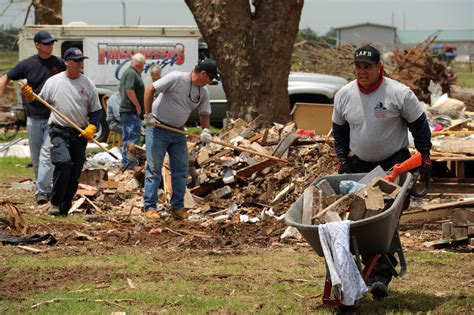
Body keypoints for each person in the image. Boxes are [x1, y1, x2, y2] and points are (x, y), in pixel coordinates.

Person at [332, 45, 432, 299]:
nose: (362, 71)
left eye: (367, 67)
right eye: (358, 67)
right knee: (362, 221)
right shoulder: (344, 95)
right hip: (361, 166)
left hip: (393, 166)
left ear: (380, 67)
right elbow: (340, 133)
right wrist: (343, 160)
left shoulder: (399, 93)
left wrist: (425, 158)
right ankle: (373, 273)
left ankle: (379, 276)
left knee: (384, 221)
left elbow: (420, 127)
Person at [24, 47, 102, 216]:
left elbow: (96, 111)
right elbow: (40, 103)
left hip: (79, 133)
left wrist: (92, 127)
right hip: (58, 130)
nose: (80, 63)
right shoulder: (54, 82)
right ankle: (55, 202)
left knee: (75, 171)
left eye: (81, 60)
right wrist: (30, 97)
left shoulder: (87, 84)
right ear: (66, 62)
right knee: (63, 163)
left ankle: (65, 206)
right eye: (76, 60)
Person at [142, 59, 218, 220]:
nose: (210, 82)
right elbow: (150, 90)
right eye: (210, 79)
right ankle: (150, 207)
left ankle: (177, 207)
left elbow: (205, 113)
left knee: (180, 169)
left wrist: (205, 130)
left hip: (177, 131)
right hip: (158, 127)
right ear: (203, 74)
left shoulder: (202, 92)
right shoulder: (176, 78)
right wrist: (148, 115)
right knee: (154, 168)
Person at [0, 31, 66, 205]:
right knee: (37, 157)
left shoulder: (59, 64)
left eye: (52, 43)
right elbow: (6, 76)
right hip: (34, 118)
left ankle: (44, 191)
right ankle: (42, 187)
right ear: (37, 45)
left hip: (53, 117)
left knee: (46, 154)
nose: (50, 46)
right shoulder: (28, 65)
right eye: (46, 43)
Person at [119, 53, 146, 170]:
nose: (144, 67)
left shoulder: (130, 73)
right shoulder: (131, 73)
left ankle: (127, 163)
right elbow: (129, 90)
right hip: (130, 111)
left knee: (129, 138)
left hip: (128, 111)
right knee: (132, 139)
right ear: (139, 63)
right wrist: (138, 106)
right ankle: (130, 165)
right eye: (143, 64)